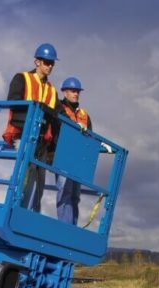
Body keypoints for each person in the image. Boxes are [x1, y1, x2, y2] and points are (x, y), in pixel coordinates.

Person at [2, 43, 63, 212]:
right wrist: (39, 109)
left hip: (43, 141)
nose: (50, 66)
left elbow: (58, 114)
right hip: (24, 135)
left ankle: (28, 214)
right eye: (46, 62)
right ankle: (13, 210)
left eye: (52, 63)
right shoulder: (22, 78)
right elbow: (13, 102)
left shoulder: (52, 90)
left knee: (39, 183)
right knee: (24, 176)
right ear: (37, 62)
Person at [56, 76, 92, 225]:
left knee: (75, 196)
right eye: (72, 91)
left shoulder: (84, 114)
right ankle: (64, 227)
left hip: (78, 160)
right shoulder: (59, 108)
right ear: (64, 92)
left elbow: (90, 135)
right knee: (64, 192)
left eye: (77, 91)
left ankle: (72, 227)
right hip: (64, 157)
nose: (76, 94)